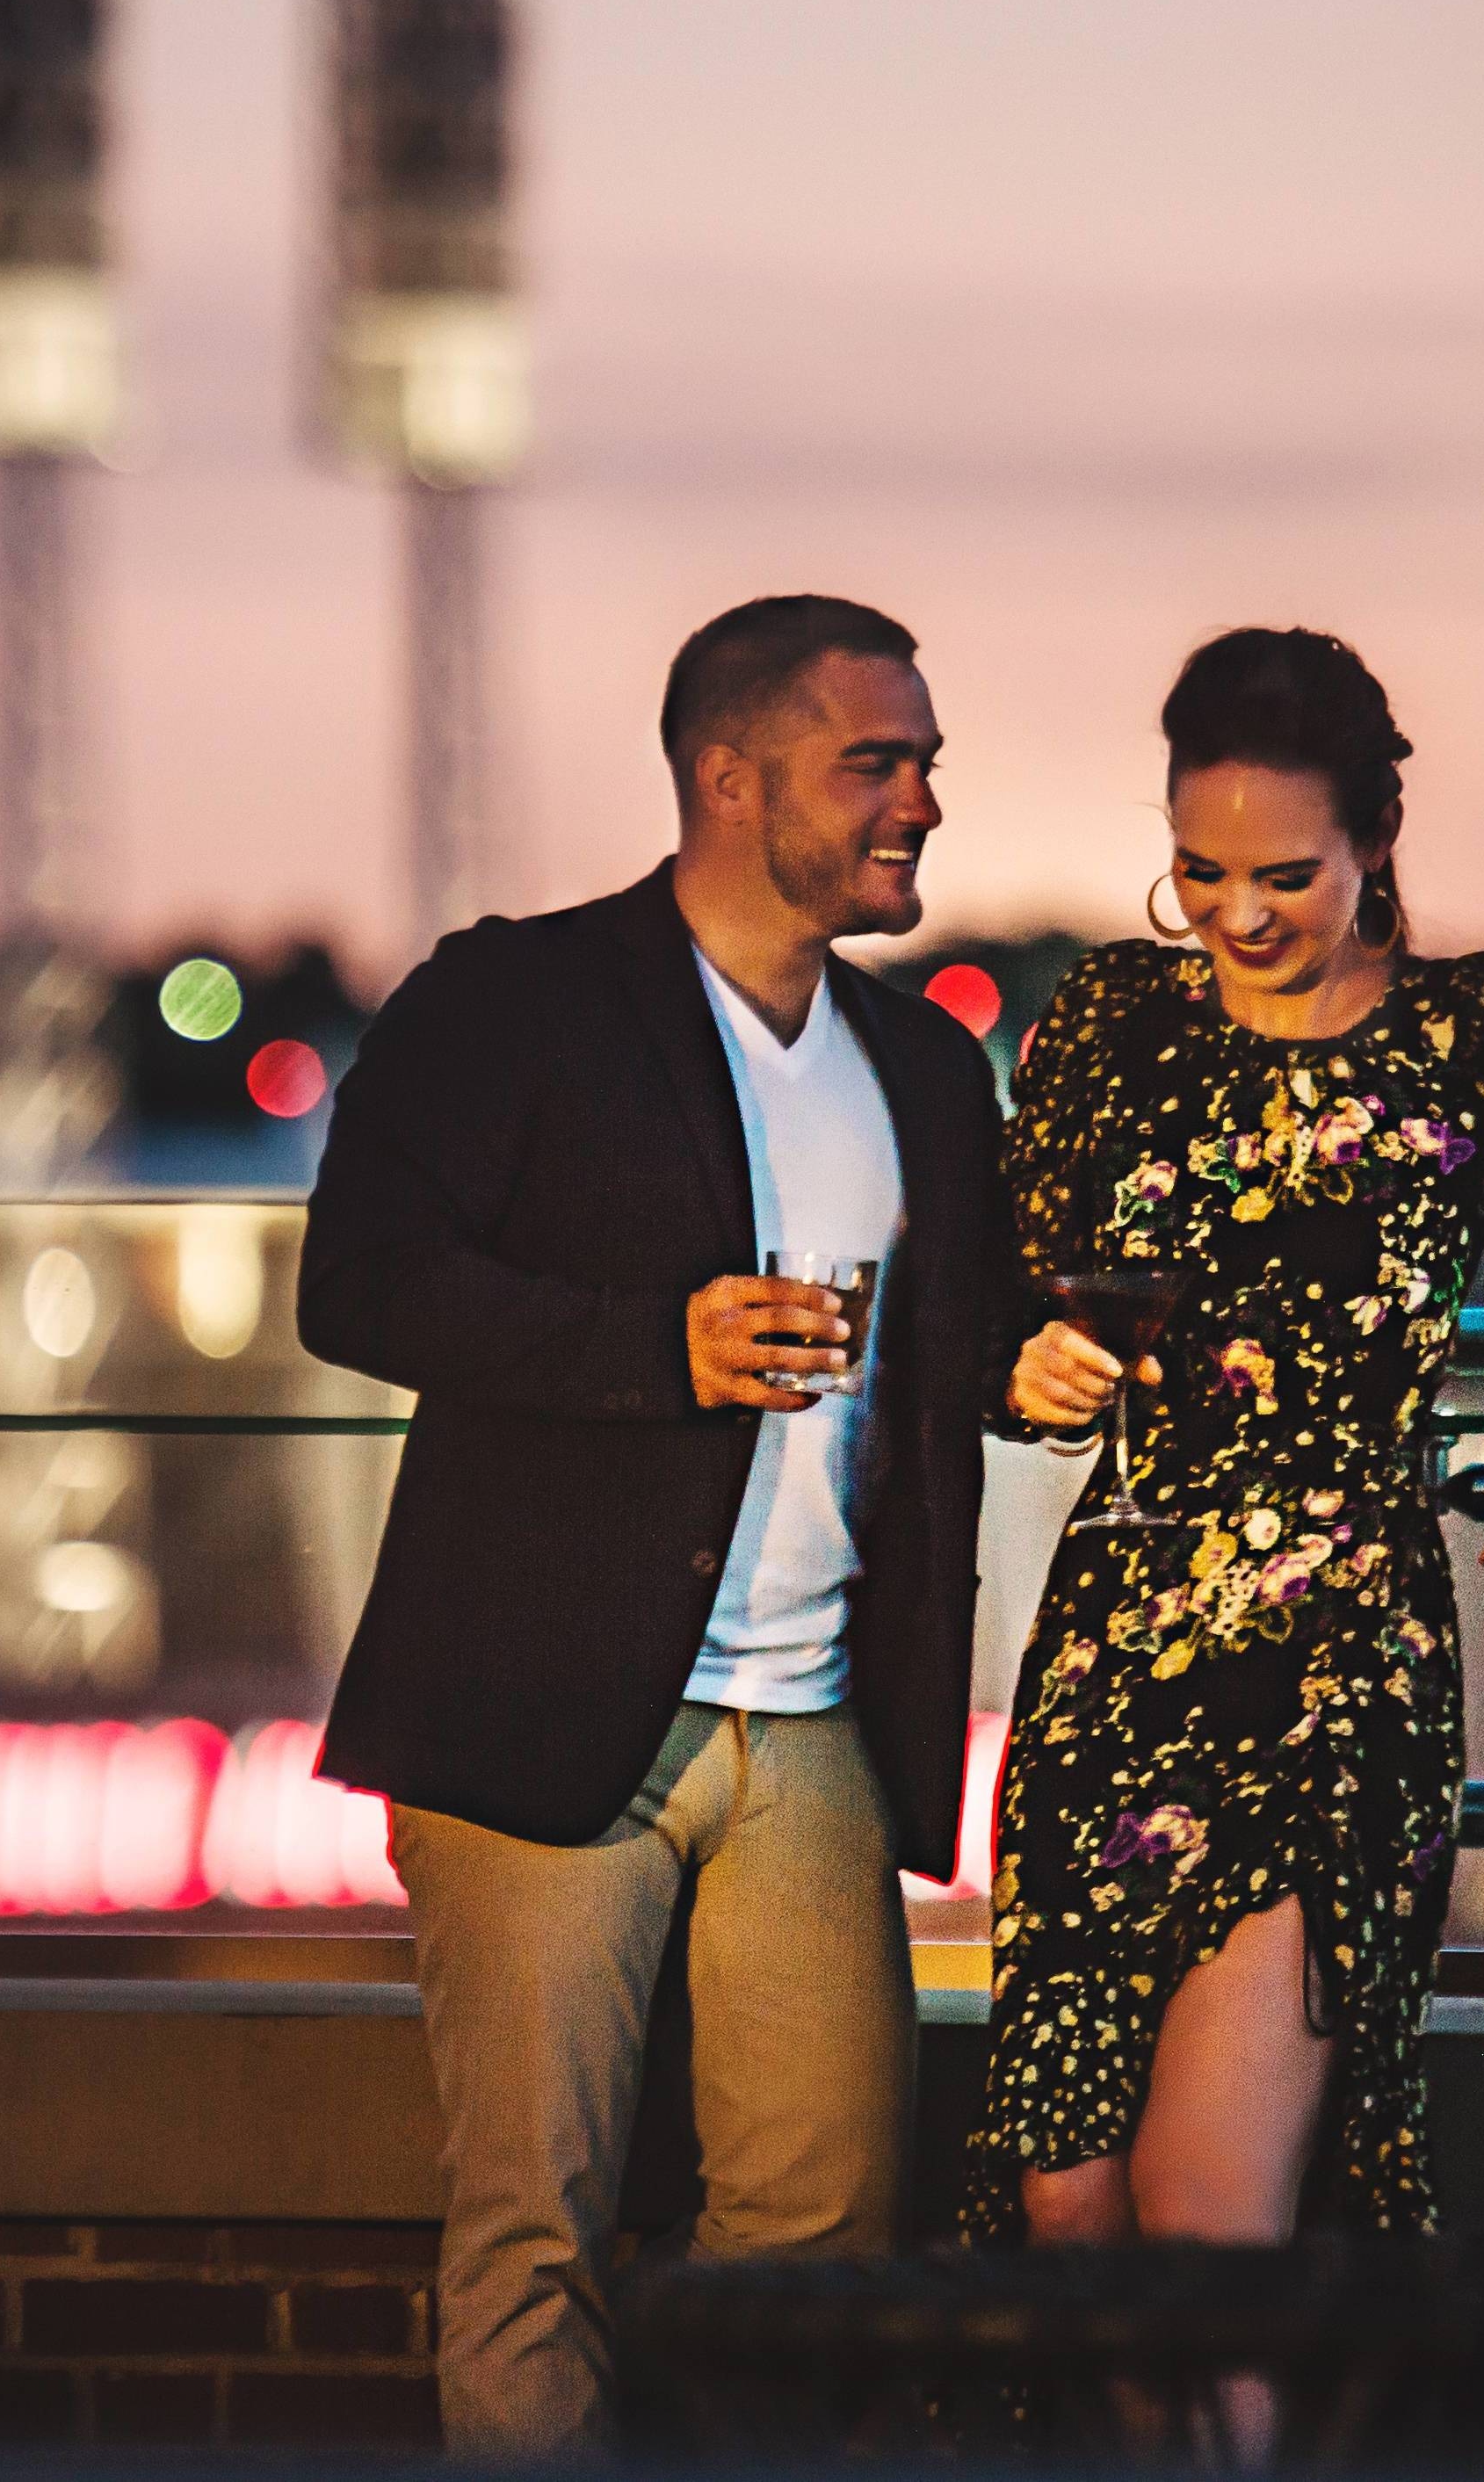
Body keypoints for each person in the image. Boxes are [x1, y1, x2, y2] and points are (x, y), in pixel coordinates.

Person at [300, 593, 1011, 2457]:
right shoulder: (512, 1001)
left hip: (819, 1735)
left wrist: (1050, 1363)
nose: (922, 801)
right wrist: (656, 1349)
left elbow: (958, 1356)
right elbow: (360, 1286)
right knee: (534, 2235)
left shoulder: (927, 1068)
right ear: (728, 772)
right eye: (878, 761)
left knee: (825, 2248)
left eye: (926, 762)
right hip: (539, 1716)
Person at [966, 626, 1484, 2288]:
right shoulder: (1105, 1029)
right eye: (1198, 870)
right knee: (1068, 2209)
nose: (1237, 914)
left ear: (1377, 844)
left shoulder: (1474, 1032)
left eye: (1285, 871)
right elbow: (987, 1331)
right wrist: (1033, 1369)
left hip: (1340, 1654)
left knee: (1207, 2214)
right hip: (1116, 1641)